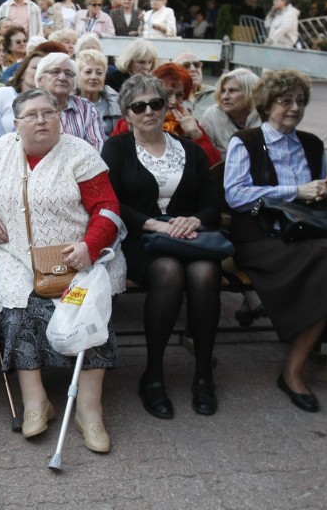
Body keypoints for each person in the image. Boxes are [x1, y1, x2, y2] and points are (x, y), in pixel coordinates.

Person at [0, 88, 125, 448]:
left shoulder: (79, 154)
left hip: (73, 253)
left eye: (49, 112)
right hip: (11, 252)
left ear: (60, 117)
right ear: (16, 123)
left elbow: (107, 208)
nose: (41, 119)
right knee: (17, 309)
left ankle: (88, 410)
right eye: (32, 115)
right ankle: (35, 401)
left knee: (87, 314)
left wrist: (89, 246)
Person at [224, 69, 327, 412]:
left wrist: (323, 192)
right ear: (267, 105)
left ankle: (293, 372)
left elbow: (321, 198)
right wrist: (296, 191)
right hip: (259, 237)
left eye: (300, 101)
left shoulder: (311, 143)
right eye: (285, 100)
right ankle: (293, 372)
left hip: (305, 236)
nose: (294, 107)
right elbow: (236, 197)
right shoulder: (246, 141)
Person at [102, 74, 222, 419]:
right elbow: (112, 200)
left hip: (189, 237)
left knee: (204, 273)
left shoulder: (190, 150)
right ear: (127, 114)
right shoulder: (117, 148)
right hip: (141, 239)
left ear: (166, 106)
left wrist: (194, 221)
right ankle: (153, 374)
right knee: (168, 272)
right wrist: (152, 222)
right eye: (139, 106)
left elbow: (212, 203)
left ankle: (203, 374)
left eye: (156, 103)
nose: (149, 111)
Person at [116, 63, 221, 166]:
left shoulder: (188, 122)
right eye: (167, 94)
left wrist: (196, 135)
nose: (173, 101)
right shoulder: (135, 119)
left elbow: (213, 164)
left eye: (179, 95)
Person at [35, 52, 105, 152]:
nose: (62, 78)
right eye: (55, 72)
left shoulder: (87, 108)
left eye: (68, 74)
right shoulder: (28, 107)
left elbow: (97, 148)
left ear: (74, 82)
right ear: (40, 79)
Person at [200, 68, 260, 157]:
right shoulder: (212, 116)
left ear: (250, 93)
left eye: (232, 91)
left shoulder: (265, 116)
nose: (225, 97)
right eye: (223, 91)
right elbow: (207, 158)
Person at [0, 48, 46, 133]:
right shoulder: (2, 93)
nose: (39, 72)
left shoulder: (48, 101)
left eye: (43, 69)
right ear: (22, 73)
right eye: (35, 67)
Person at [77, 49, 120, 137]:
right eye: (88, 72)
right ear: (78, 75)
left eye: (99, 73)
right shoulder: (67, 103)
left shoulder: (115, 103)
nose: (94, 77)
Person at [172, 52, 215, 120]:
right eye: (186, 66)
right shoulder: (170, 98)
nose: (193, 69)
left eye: (196, 65)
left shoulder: (217, 95)